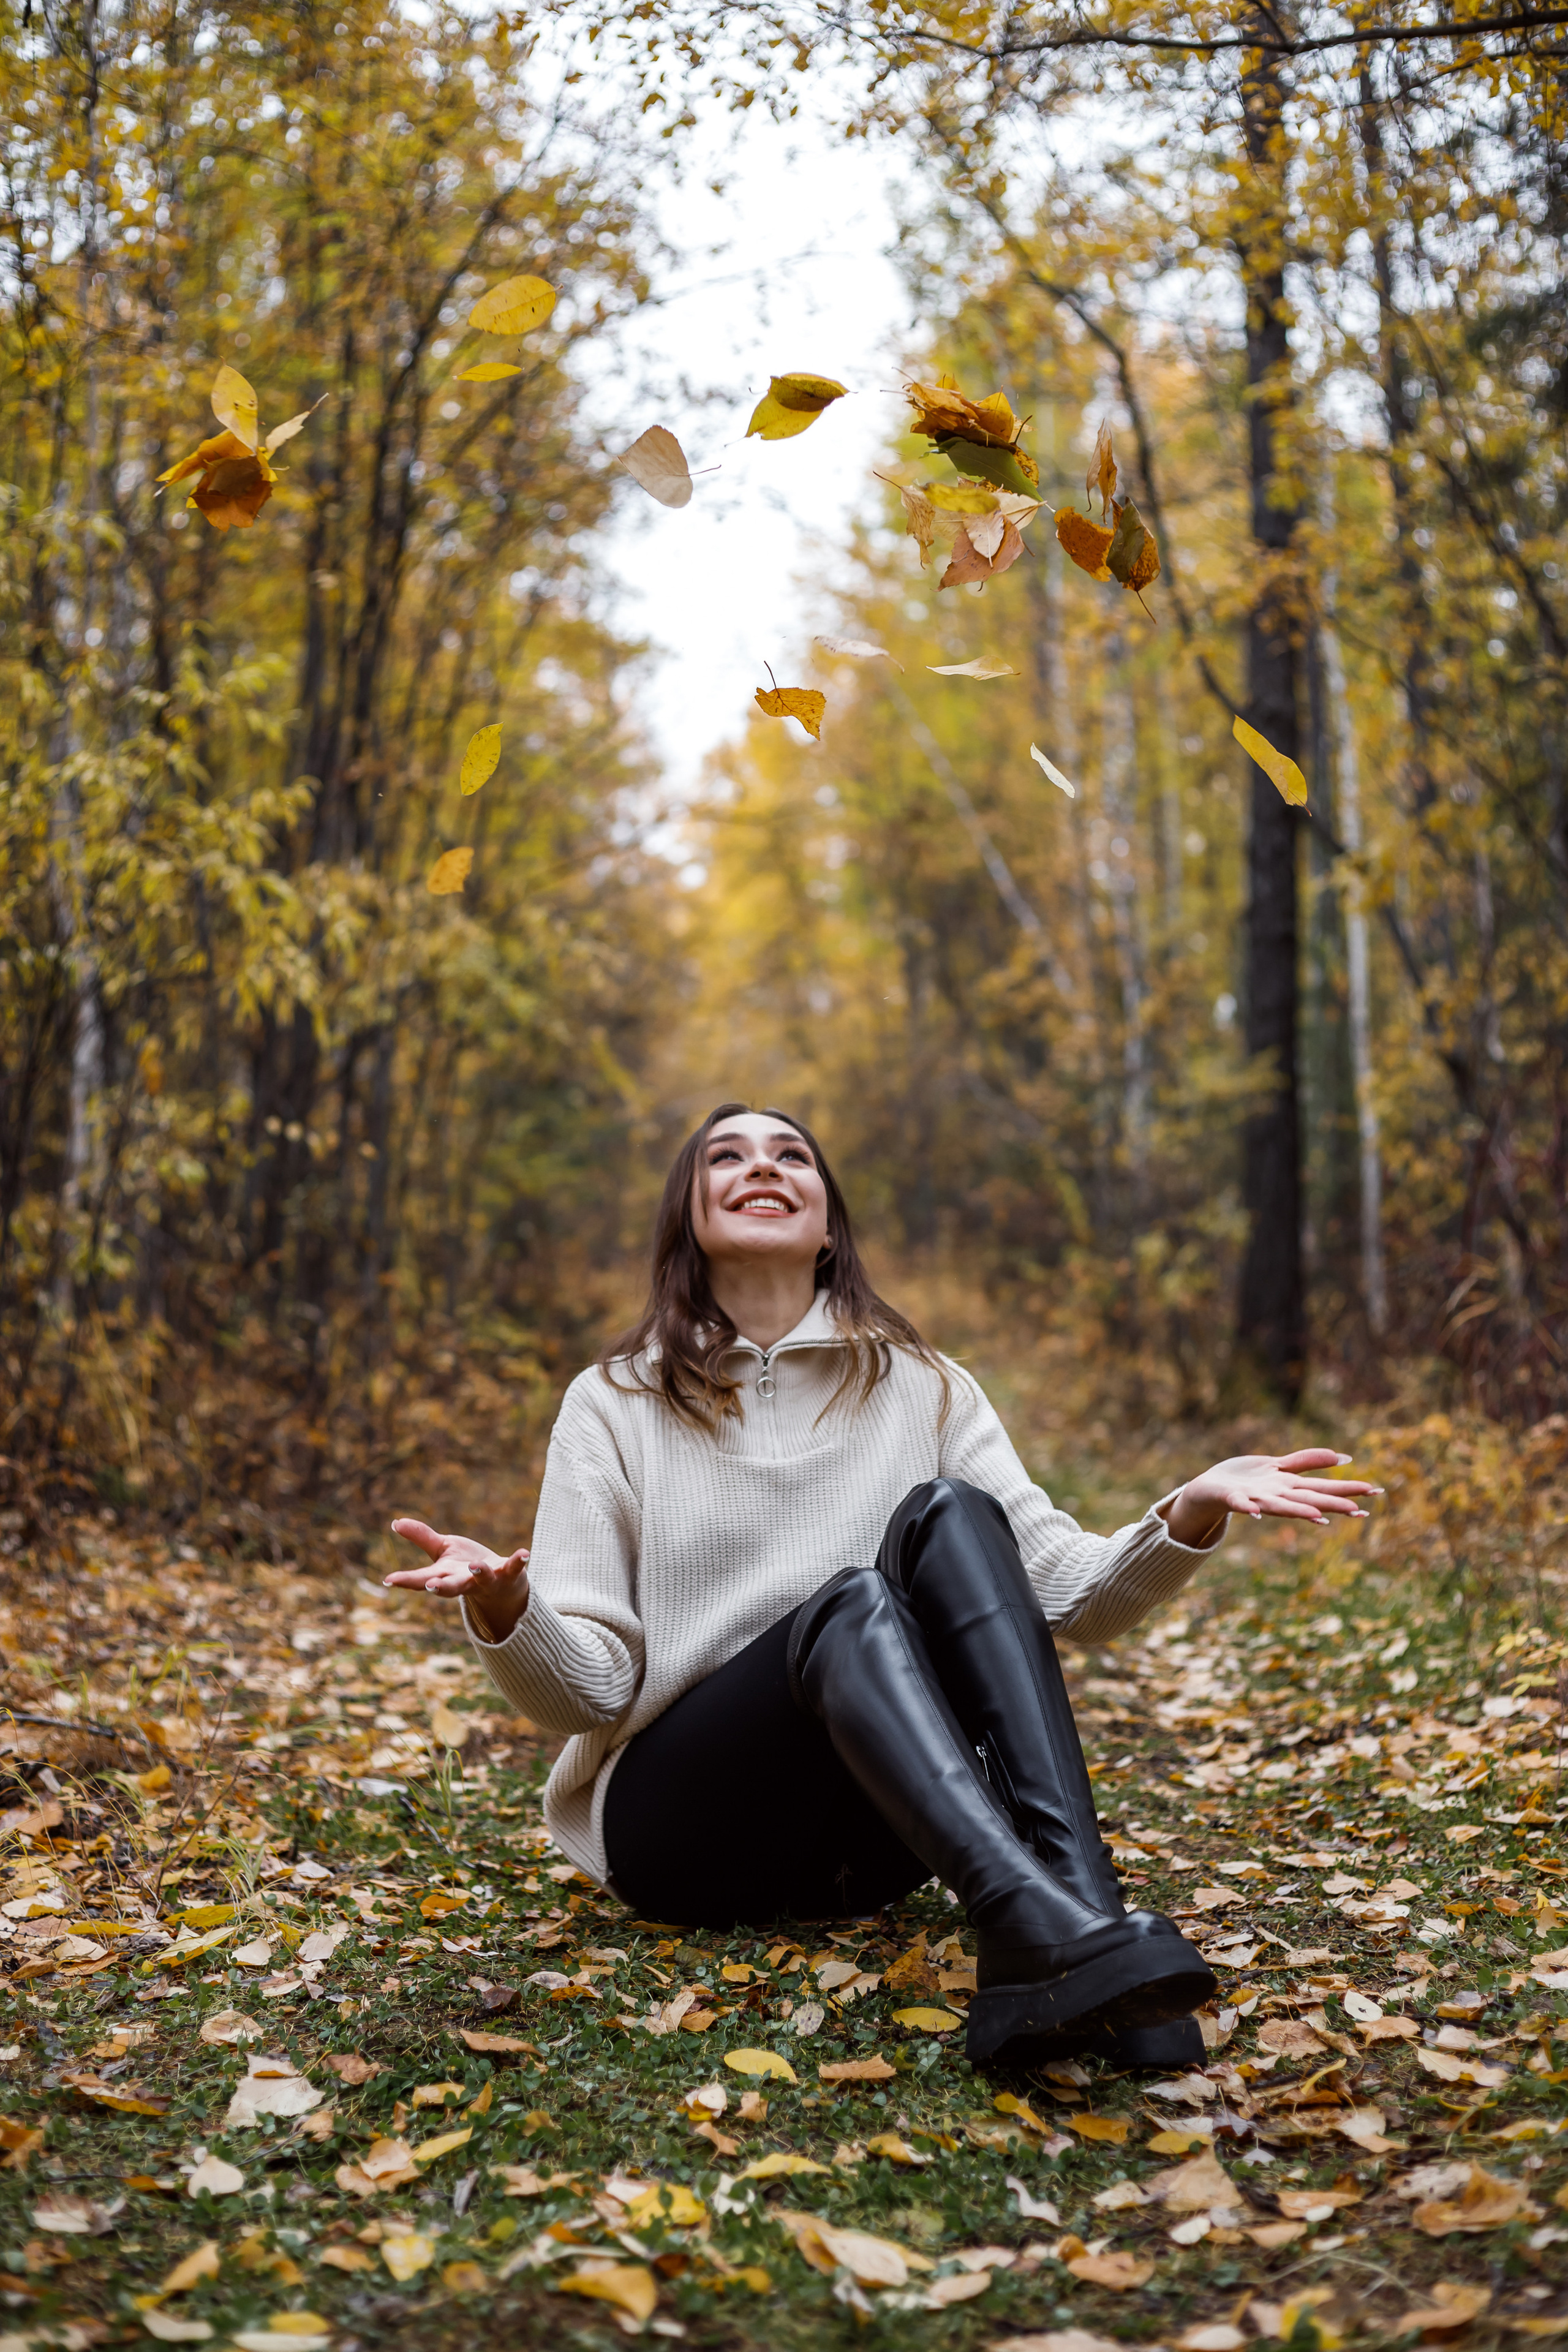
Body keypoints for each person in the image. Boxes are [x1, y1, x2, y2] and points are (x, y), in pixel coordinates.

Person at [388, 1101, 1376, 2069]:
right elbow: (590, 1690)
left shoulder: (925, 1383)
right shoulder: (614, 1403)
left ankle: (1073, 1924)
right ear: (688, 1216)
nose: (764, 1167)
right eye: (727, 1156)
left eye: (793, 1156)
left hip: (878, 1838)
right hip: (684, 1832)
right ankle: (1047, 1927)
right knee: (852, 1601)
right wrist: (506, 1607)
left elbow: (1069, 1597)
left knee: (953, 1510)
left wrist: (1189, 1510)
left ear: (828, 1224)